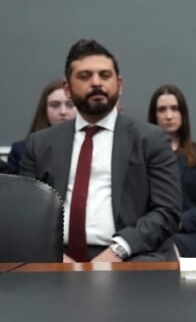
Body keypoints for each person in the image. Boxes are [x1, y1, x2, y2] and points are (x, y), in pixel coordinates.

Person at [21, 39, 181, 262]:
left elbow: (167, 211)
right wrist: (58, 258)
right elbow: (27, 214)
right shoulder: (39, 144)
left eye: (105, 75)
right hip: (57, 257)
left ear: (119, 84)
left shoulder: (151, 140)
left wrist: (118, 251)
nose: (96, 83)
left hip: (131, 255)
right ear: (67, 89)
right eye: (85, 76)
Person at [148, 84, 196, 257]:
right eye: (162, 110)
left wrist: (179, 222)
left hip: (189, 234)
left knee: (166, 252)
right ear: (154, 115)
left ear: (183, 114)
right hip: (153, 232)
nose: (169, 116)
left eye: (174, 109)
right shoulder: (144, 156)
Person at [6, 79, 76, 174]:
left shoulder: (89, 146)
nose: (63, 111)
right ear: (44, 110)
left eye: (70, 104)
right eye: (55, 105)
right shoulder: (21, 150)